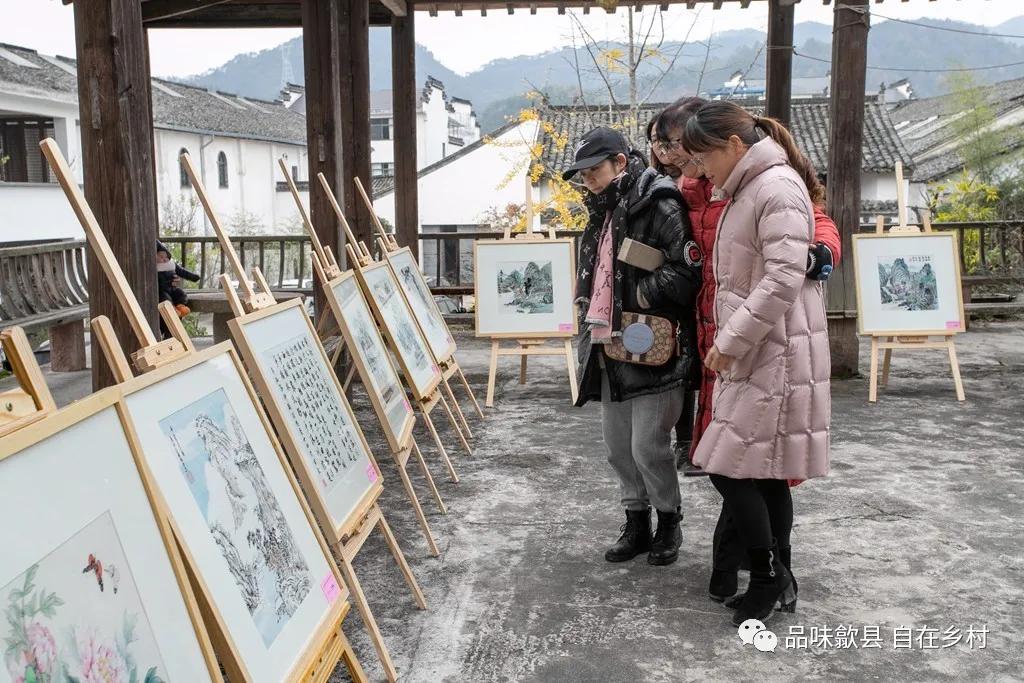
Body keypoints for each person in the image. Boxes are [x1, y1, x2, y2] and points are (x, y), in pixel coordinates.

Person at [656, 97, 840, 607]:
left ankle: (766, 576)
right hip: (763, 346)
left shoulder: (774, 187)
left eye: (703, 157)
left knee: (727, 466)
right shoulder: (749, 186)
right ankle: (774, 577)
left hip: (771, 350)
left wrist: (729, 340)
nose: (699, 168)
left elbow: (783, 277)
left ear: (734, 145)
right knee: (763, 471)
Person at [566, 126, 702, 567]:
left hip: (653, 343)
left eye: (594, 169)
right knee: (617, 447)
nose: (587, 178)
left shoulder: (659, 201)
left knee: (649, 446)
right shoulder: (601, 210)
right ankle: (636, 521)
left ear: (620, 162)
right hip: (609, 340)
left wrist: (637, 296)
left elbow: (687, 271)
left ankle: (669, 520)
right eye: (582, 172)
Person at [646, 115, 698, 470]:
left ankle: (692, 441)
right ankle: (683, 440)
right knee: (679, 359)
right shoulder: (652, 183)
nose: (662, 148)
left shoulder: (702, 179)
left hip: (696, 277)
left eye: (668, 141)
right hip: (669, 280)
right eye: (655, 140)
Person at [157, 240, 200, 318]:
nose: (164, 259)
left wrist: (194, 277)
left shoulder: (171, 264)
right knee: (166, 299)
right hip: (163, 290)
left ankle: (181, 307)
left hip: (173, 288)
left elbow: (182, 272)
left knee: (181, 293)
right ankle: (172, 311)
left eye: (166, 257)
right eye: (161, 257)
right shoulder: (156, 267)